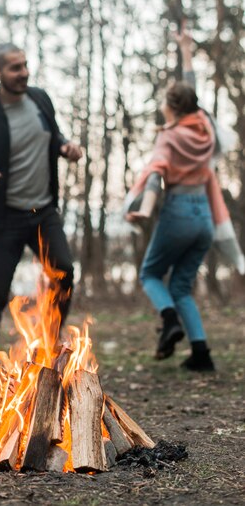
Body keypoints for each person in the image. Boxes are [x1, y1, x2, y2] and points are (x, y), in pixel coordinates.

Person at [0, 43, 82, 377]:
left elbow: (52, 138)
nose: (23, 72)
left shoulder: (40, 99)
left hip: (43, 211)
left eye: (25, 65)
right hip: (4, 219)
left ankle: (49, 340)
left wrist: (65, 147)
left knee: (64, 273)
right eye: (14, 68)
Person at [125, 26, 244, 372]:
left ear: (172, 108)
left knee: (150, 275)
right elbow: (191, 90)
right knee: (180, 285)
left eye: (165, 101)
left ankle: (169, 320)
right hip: (203, 217)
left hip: (177, 213)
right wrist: (186, 50)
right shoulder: (205, 127)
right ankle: (202, 353)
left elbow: (155, 175)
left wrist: (145, 210)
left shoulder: (170, 138)